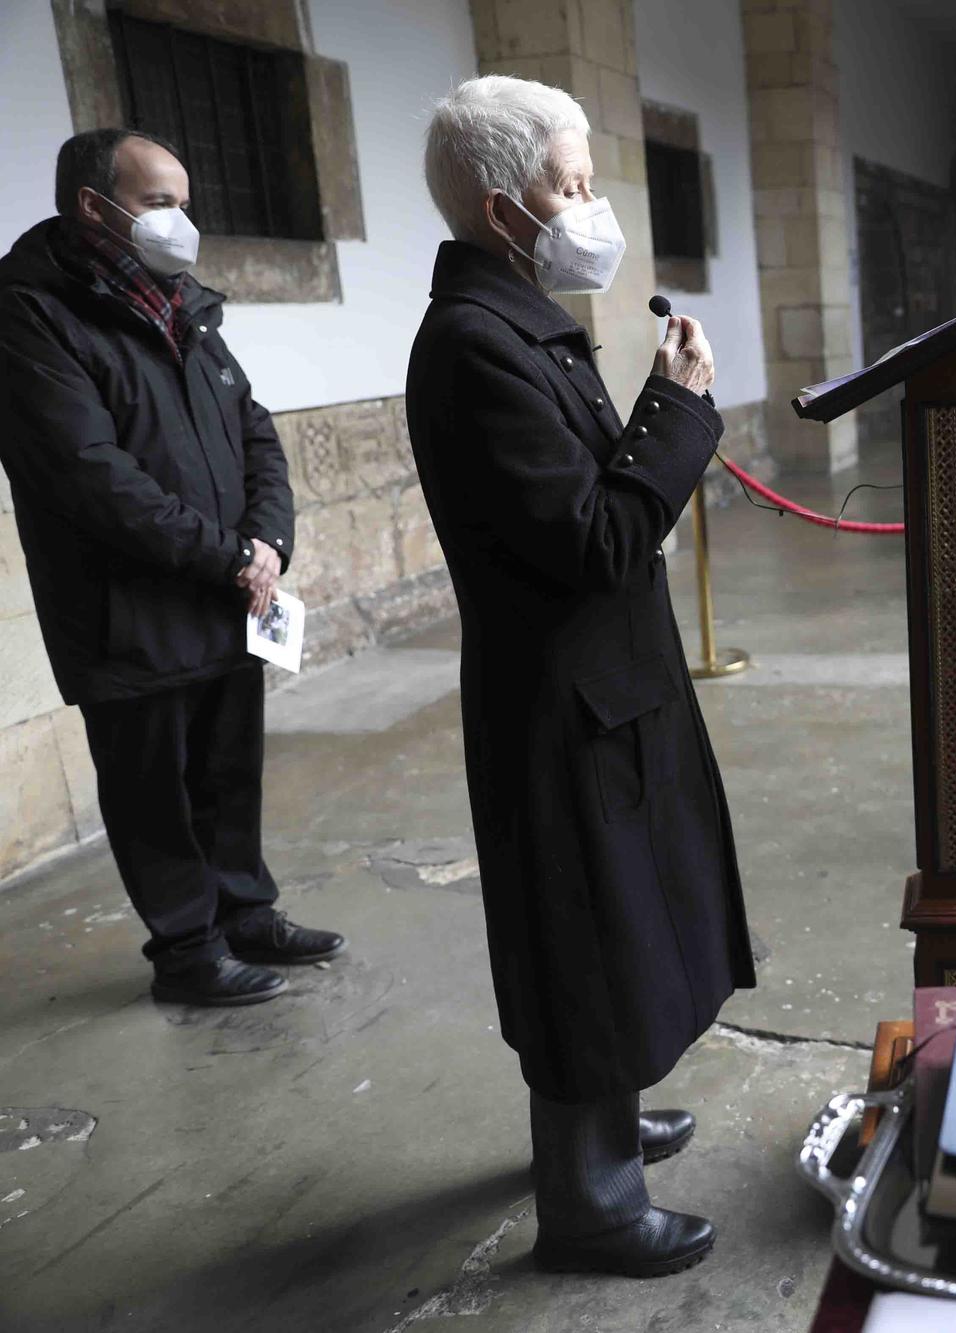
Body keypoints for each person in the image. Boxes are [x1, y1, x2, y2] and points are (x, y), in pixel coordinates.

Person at [407, 75, 755, 1280]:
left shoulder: (521, 321)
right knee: (581, 942)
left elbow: (587, 505)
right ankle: (589, 1203)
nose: (591, 204)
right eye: (570, 184)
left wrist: (653, 412)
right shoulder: (474, 347)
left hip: (603, 682)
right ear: (505, 212)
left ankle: (602, 1121)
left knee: (619, 928)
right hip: (558, 698)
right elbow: (598, 539)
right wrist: (678, 408)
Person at [0, 129, 344, 1008]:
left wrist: (267, 540)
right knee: (153, 789)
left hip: (230, 589)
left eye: (184, 202)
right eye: (160, 203)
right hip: (129, 608)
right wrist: (229, 555)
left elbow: (253, 428)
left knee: (228, 772)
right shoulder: (31, 314)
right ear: (94, 206)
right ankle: (187, 951)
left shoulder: (181, 300)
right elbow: (91, 476)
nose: (181, 221)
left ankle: (246, 912)